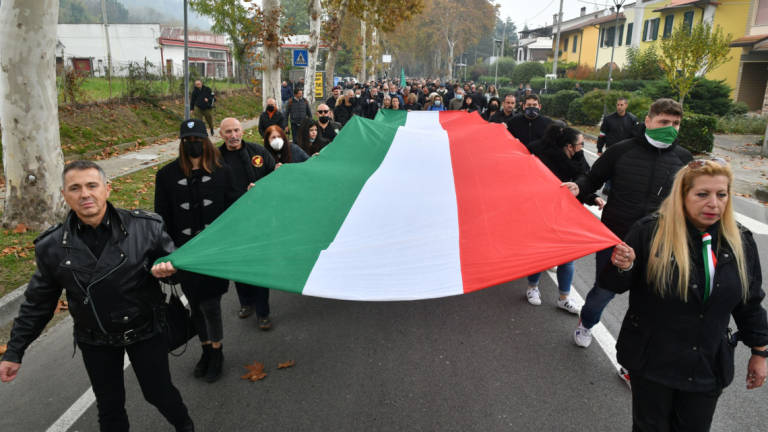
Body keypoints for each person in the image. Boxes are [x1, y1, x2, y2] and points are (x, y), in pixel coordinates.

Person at [0, 160, 194, 432]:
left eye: (92, 185)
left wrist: (170, 271)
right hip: (96, 340)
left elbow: (178, 269)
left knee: (159, 393)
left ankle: (185, 425)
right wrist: (14, 351)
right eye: (75, 188)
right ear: (64, 195)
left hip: (145, 331)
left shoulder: (146, 227)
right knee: (110, 406)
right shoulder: (52, 246)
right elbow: (38, 303)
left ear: (107, 189)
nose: (85, 194)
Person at [600, 159, 768, 431]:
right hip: (653, 361)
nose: (714, 203)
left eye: (721, 194)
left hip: (707, 364)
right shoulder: (649, 231)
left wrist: (760, 352)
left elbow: (749, 302)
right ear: (682, 195)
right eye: (702, 194)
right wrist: (624, 266)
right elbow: (611, 284)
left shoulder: (740, 240)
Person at [564, 98, 693, 352]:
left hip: (658, 242)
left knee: (648, 303)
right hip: (616, 237)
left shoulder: (684, 159)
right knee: (603, 292)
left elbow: (689, 199)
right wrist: (579, 187)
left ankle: (632, 358)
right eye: (664, 122)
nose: (671, 127)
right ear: (648, 121)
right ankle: (586, 323)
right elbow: (593, 178)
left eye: (676, 123)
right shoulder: (621, 150)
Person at [154, 119, 239, 383]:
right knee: (196, 306)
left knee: (211, 305)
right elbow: (162, 217)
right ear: (182, 143)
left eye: (197, 139)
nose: (193, 144)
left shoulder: (222, 172)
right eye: (187, 140)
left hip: (213, 255)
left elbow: (234, 212)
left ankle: (217, 352)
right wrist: (168, 253)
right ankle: (205, 348)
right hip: (185, 254)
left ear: (206, 141)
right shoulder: (166, 176)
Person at [526, 124, 605, 313]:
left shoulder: (579, 161)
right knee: (542, 253)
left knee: (567, 257)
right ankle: (532, 288)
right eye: (580, 144)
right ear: (569, 146)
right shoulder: (548, 161)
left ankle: (564, 297)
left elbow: (583, 183)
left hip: (568, 215)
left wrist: (593, 197)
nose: (582, 147)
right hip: (545, 213)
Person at [217, 118, 276, 327]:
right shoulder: (215, 158)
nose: (233, 135)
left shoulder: (258, 152)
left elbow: (275, 178)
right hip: (232, 223)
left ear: (242, 131)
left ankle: (263, 313)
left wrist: (260, 189)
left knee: (259, 266)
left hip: (259, 221)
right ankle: (245, 303)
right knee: (239, 266)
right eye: (228, 132)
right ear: (220, 135)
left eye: (236, 130)